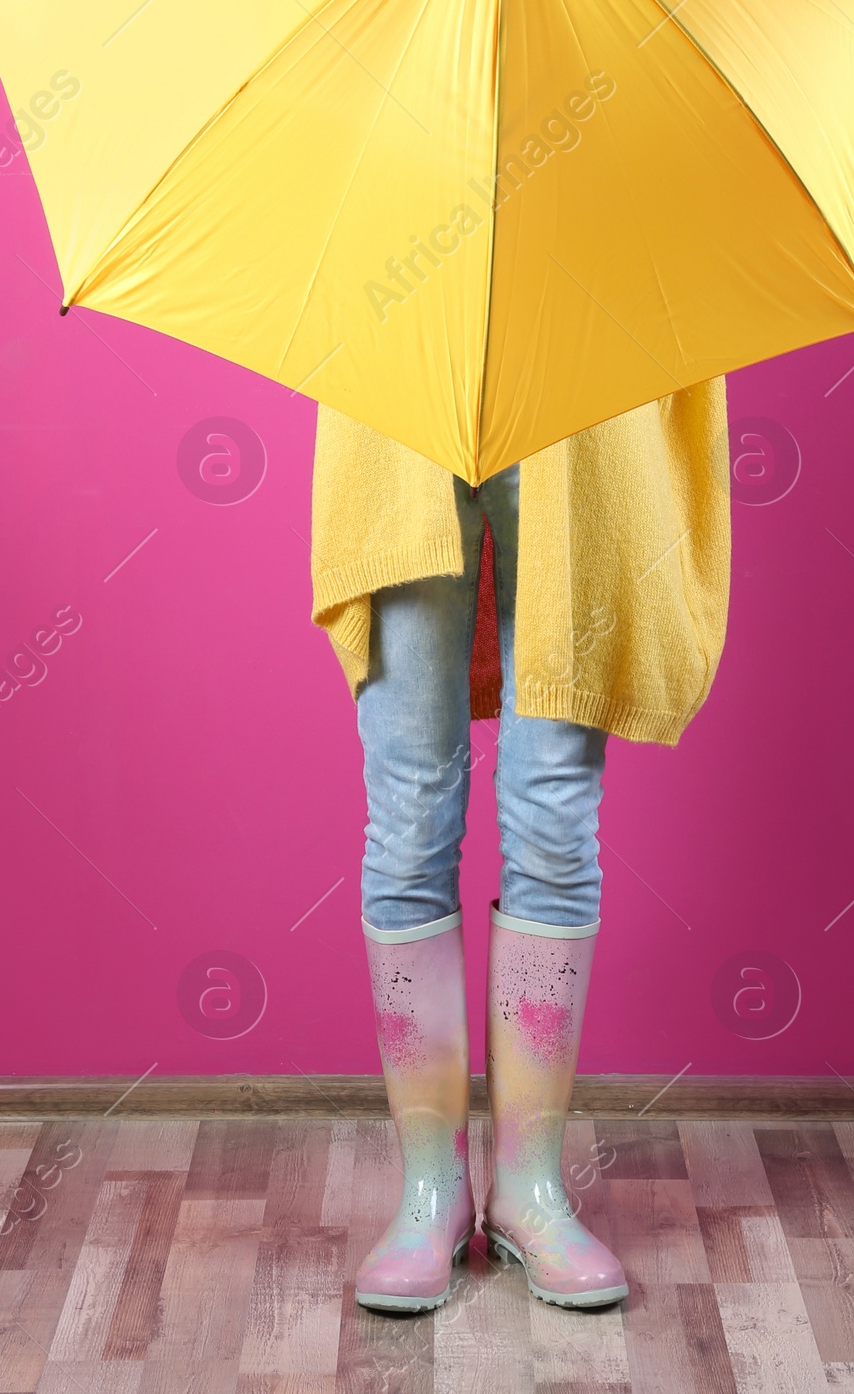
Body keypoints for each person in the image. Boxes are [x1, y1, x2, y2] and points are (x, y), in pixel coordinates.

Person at [310, 379, 730, 1314]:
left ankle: (529, 1189)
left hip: (580, 415)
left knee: (554, 813)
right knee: (410, 812)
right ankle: (431, 1192)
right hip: (407, 412)